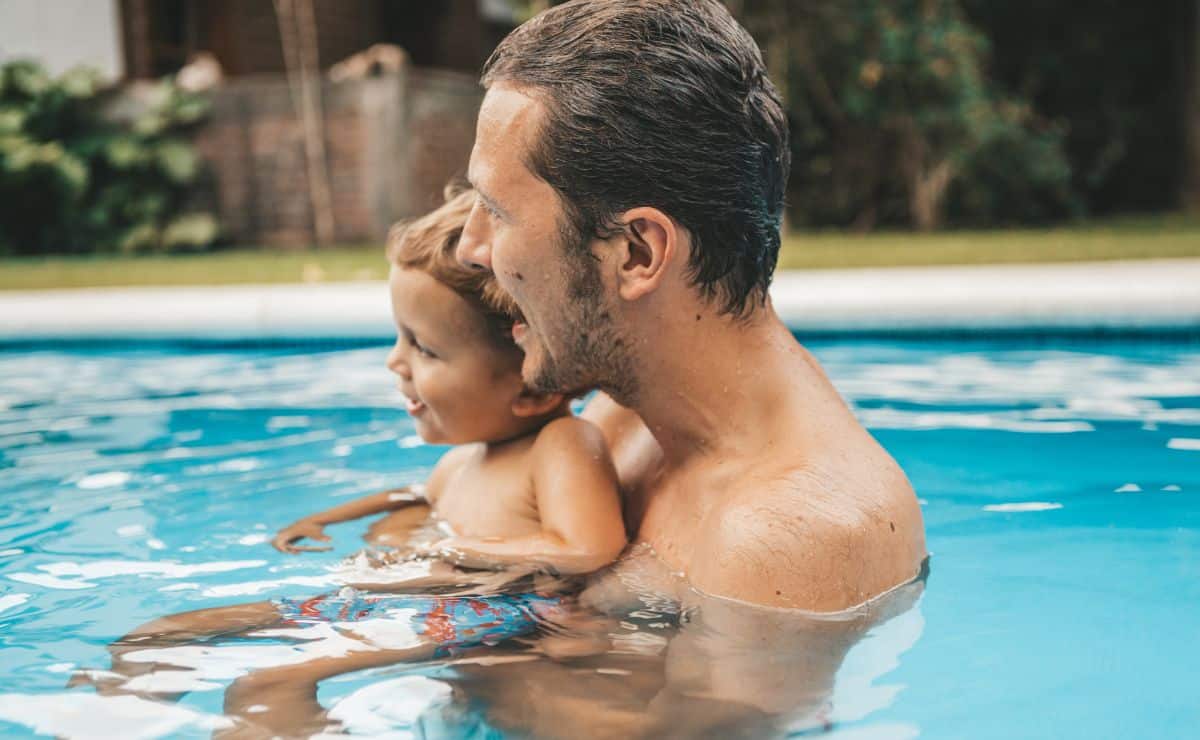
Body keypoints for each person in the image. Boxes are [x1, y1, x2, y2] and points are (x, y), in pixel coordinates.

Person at [85, 189, 627, 734]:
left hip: (495, 616)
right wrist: (330, 517)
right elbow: (415, 498)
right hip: (417, 600)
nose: (395, 361)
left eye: (424, 349)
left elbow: (587, 546)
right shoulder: (464, 461)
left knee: (268, 684)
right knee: (162, 633)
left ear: (532, 386)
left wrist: (447, 549)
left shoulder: (563, 444)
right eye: (401, 338)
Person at [454, 0, 927, 612]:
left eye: (496, 210)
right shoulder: (627, 415)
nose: (469, 247)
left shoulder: (784, 539)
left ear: (637, 252)